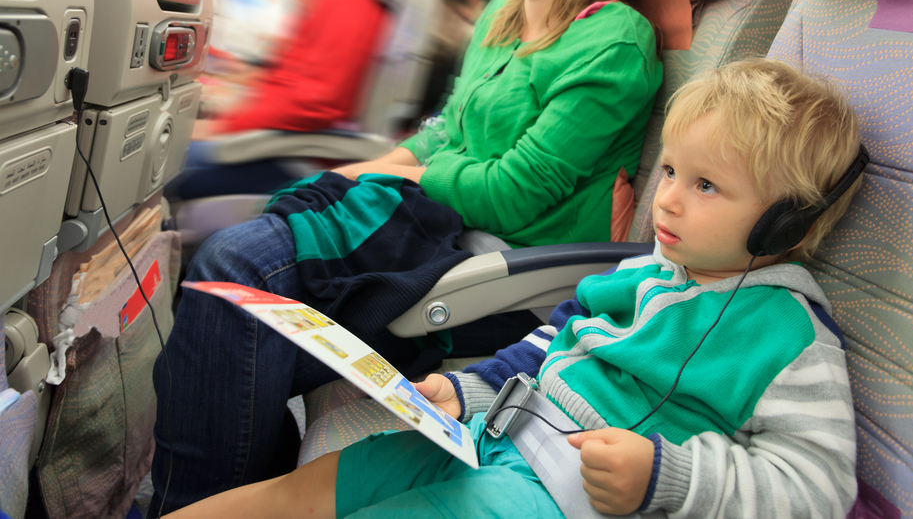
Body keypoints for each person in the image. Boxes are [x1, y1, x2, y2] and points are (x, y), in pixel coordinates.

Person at [151, 0, 662, 512]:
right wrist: (366, 169)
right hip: (436, 230)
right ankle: (223, 501)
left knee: (236, 265)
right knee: (238, 303)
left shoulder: (616, 40)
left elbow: (516, 191)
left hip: (504, 271)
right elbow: (445, 128)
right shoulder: (504, 12)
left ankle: (191, 504)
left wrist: (406, 173)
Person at [163, 59, 863, 518]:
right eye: (672, 171)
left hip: (563, 493)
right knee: (299, 494)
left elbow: (820, 487)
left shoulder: (787, 335)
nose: (668, 199)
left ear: (785, 223)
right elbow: (550, 341)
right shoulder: (646, 271)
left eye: (705, 185)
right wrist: (464, 392)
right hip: (495, 433)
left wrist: (668, 475)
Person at [168, 0, 390, 199]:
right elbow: (295, 81)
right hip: (280, 140)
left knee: (153, 165)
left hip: (292, 153)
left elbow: (315, 101)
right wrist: (235, 112)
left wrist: (222, 127)